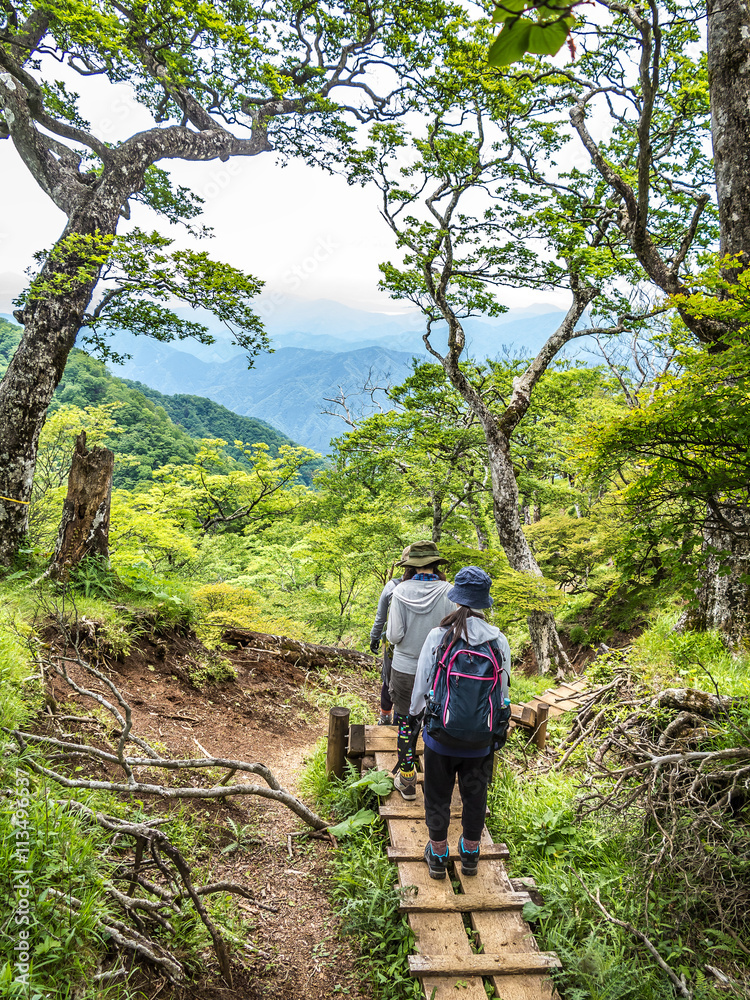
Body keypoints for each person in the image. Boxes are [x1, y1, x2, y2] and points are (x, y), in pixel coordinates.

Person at [409, 566, 511, 880]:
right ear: (484, 603)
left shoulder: (439, 636)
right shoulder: (498, 641)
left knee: (437, 794)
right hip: (481, 740)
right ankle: (469, 854)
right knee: (474, 795)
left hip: (440, 736)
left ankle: (438, 855)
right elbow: (503, 694)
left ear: (456, 600)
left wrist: (415, 717)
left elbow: (422, 684)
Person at [386, 540, 455, 800]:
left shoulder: (400, 591)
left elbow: (394, 636)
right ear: (436, 565)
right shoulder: (450, 592)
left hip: (405, 669)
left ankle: (407, 780)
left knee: (405, 723)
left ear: (411, 567)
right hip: (439, 670)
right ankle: (440, 784)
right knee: (438, 724)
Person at [369, 545, 411, 726]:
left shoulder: (392, 586)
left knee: (388, 677)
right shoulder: (432, 588)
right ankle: (409, 718)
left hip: (392, 641)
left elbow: (381, 617)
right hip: (419, 643)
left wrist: (375, 637)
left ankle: (385, 716)